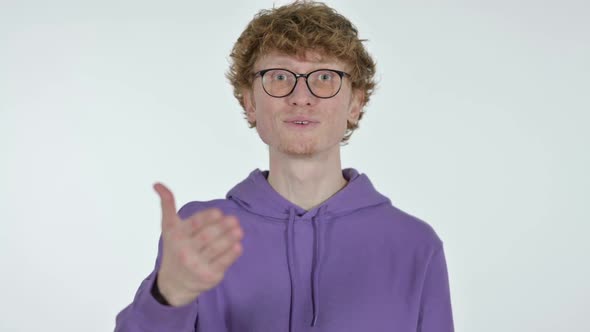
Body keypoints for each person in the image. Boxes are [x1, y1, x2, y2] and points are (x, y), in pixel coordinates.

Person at [115, 1, 454, 331]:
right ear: (250, 102)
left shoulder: (415, 245)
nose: (301, 97)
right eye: (279, 76)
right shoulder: (202, 234)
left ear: (355, 102)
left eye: (324, 77)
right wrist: (168, 296)